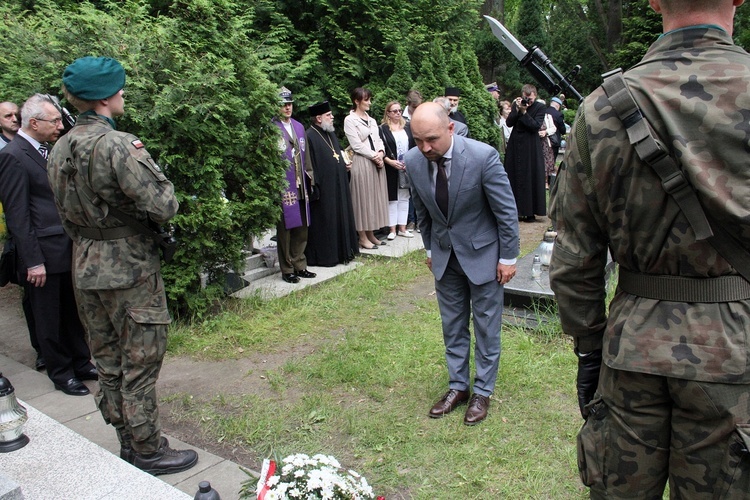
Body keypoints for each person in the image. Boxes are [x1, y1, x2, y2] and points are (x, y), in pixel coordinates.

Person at [549, 0, 750, 497]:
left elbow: (575, 255)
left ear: (654, 1)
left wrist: (588, 346)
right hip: (734, 348)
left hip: (631, 345)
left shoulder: (601, 107)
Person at [47, 56, 198, 475]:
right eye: (120, 89)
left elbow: (64, 215)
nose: (124, 95)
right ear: (105, 98)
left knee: (108, 360)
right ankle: (149, 450)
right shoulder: (117, 144)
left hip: (86, 265)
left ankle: (129, 444)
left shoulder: (58, 147)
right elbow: (163, 205)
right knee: (141, 361)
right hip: (129, 268)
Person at [405, 102, 519, 426]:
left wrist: (508, 258)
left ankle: (483, 390)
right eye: (418, 140)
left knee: (485, 326)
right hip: (444, 258)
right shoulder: (413, 161)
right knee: (452, 325)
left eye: (432, 139)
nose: (425, 148)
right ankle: (458, 387)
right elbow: (422, 211)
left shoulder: (483, 157)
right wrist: (429, 248)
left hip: (484, 257)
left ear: (451, 128)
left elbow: (506, 212)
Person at [0, 94, 95, 396]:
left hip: (63, 247)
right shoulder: (13, 156)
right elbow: (18, 215)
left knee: (70, 310)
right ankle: (61, 371)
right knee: (48, 317)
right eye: (54, 120)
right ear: (34, 122)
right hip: (41, 253)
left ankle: (81, 362)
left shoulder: (45, 150)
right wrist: (33, 260)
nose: (59, 125)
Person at [303, 101, 359, 267]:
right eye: (329, 115)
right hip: (324, 190)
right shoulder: (310, 136)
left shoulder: (330, 133)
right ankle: (327, 257)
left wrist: (344, 164)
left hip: (338, 185)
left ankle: (343, 253)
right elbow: (311, 164)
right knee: (326, 222)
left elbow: (337, 154)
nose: (332, 117)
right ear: (319, 118)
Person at [272, 87, 316, 284]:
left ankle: (300, 264)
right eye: (283, 104)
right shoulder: (271, 128)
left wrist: (310, 177)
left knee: (302, 226)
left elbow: (306, 157)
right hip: (284, 185)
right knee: (286, 228)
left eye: (289, 104)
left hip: (301, 184)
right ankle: (287, 268)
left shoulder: (298, 127)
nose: (287, 107)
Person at [343, 87, 388, 250]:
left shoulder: (372, 120)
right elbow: (356, 145)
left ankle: (371, 233)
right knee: (362, 199)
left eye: (370, 99)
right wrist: (374, 156)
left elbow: (378, 139)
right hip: (362, 162)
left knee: (373, 199)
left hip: (375, 163)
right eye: (366, 99)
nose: (369, 102)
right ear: (357, 101)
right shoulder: (350, 120)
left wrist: (381, 153)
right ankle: (362, 236)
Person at [505, 84, 547, 222]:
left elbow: (535, 126)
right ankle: (515, 209)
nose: (527, 101)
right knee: (514, 175)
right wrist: (517, 109)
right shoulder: (516, 104)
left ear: (535, 96)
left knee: (530, 176)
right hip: (516, 143)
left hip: (531, 146)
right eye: (525, 98)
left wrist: (524, 112)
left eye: (530, 99)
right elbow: (510, 122)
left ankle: (530, 212)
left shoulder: (540, 107)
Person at [379, 101, 415, 240]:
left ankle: (403, 228)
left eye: (399, 110)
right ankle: (392, 229)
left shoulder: (407, 127)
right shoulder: (382, 129)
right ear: (388, 113)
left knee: (405, 197)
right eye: (394, 111)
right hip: (391, 167)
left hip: (406, 167)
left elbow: (413, 145)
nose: (398, 113)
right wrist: (389, 161)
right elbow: (380, 148)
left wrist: (410, 162)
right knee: (392, 198)